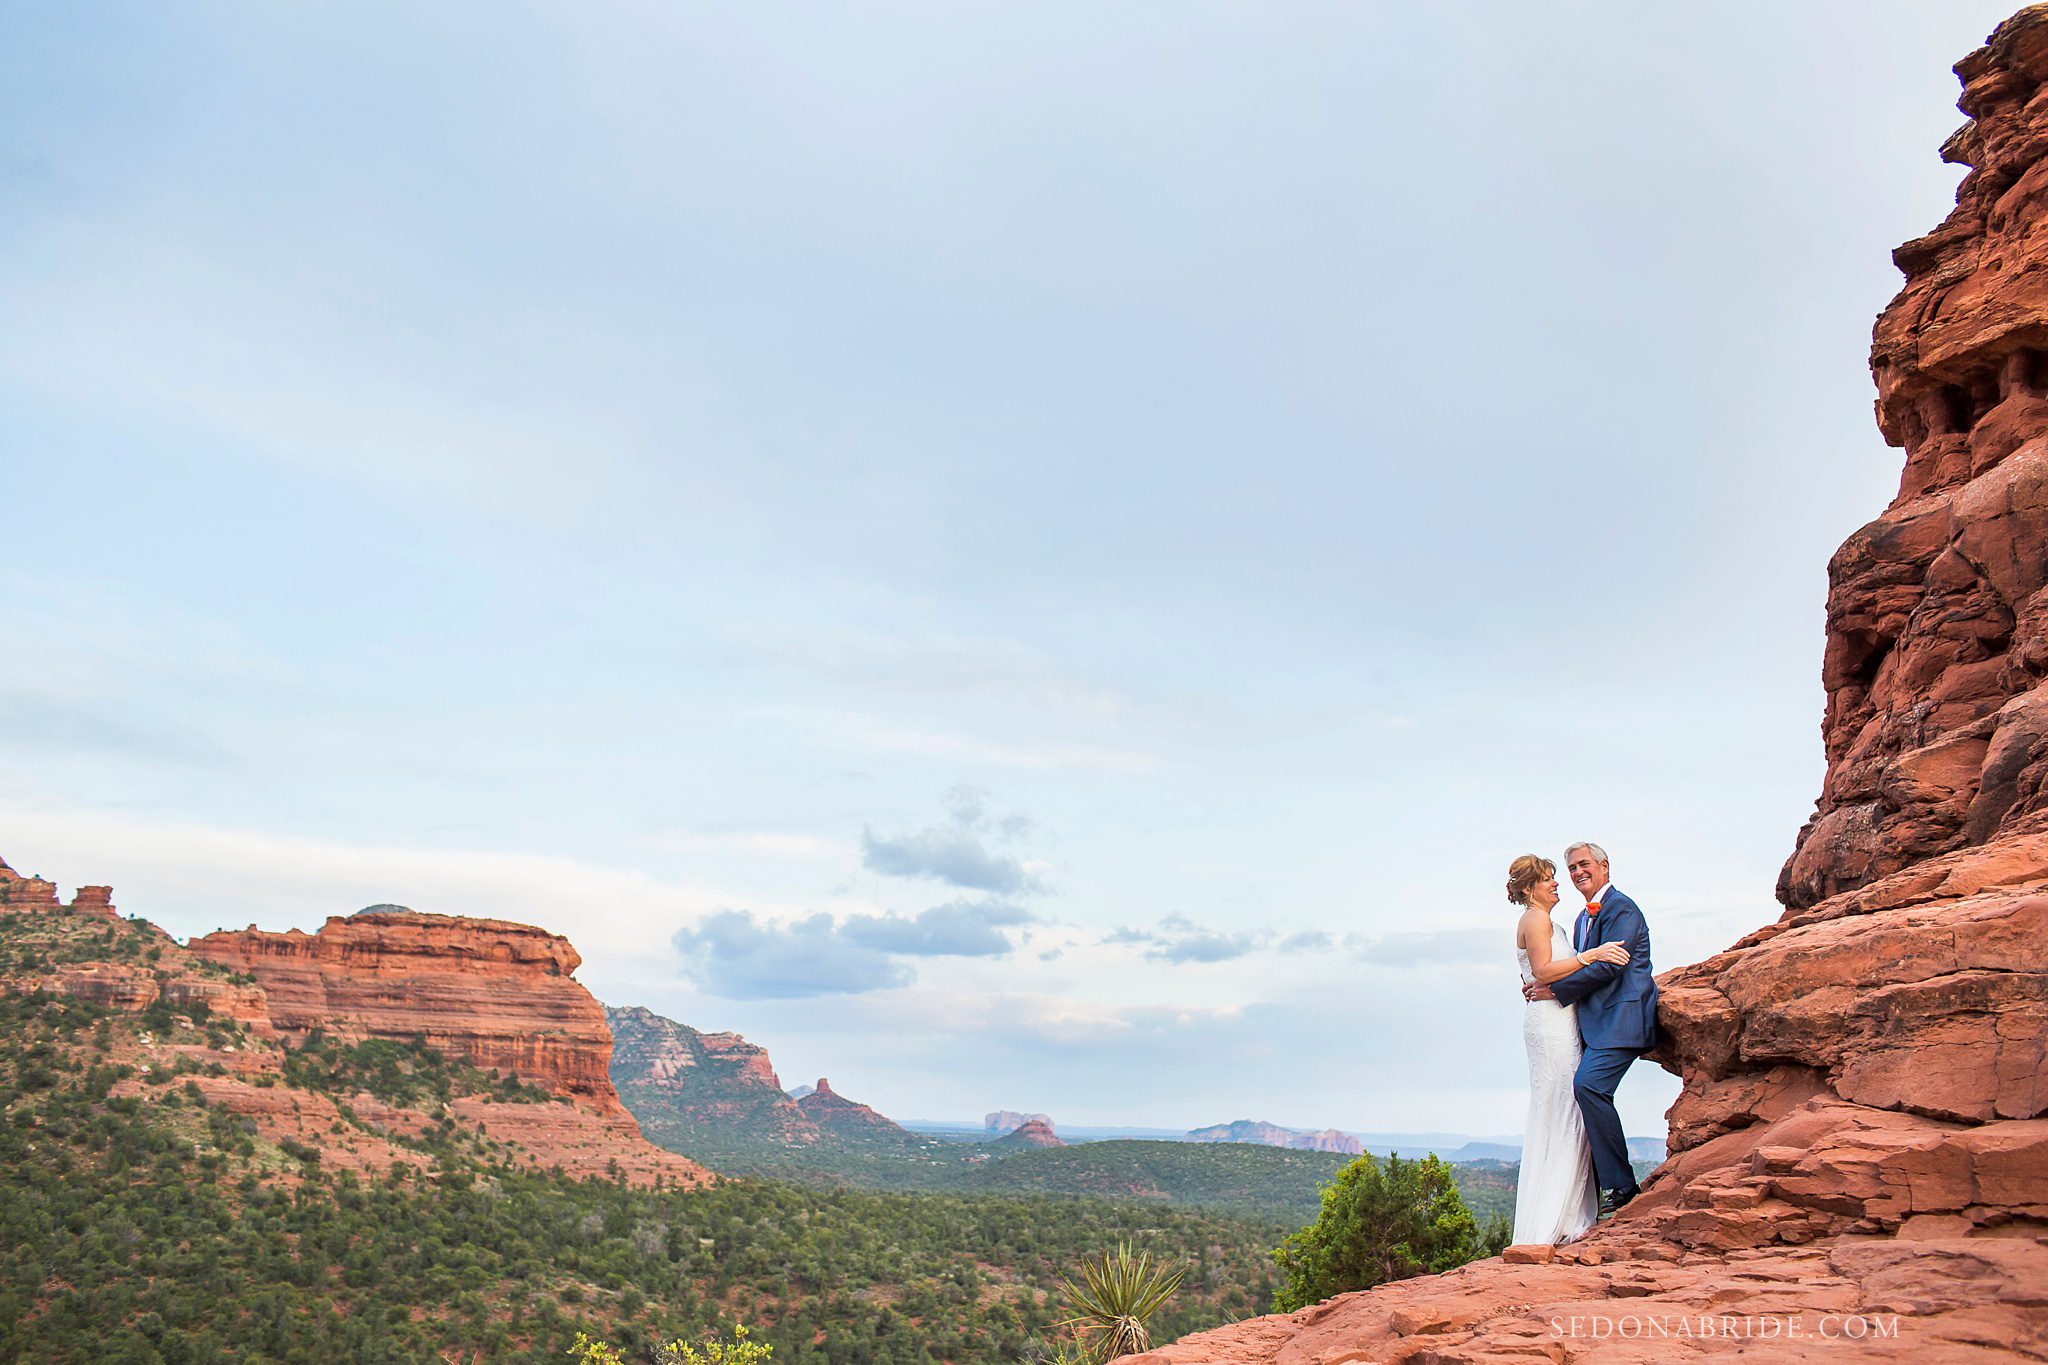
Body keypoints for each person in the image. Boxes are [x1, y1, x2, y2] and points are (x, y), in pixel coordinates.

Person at [1523, 841, 1657, 1214]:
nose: (1578, 872)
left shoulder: (1622, 908)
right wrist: (1543, 984)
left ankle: (1621, 1187)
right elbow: (1575, 964)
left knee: (1588, 1087)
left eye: (1584, 864)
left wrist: (1555, 990)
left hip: (1623, 1020)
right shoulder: (1582, 920)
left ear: (1604, 866)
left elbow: (1611, 965)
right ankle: (1586, 1194)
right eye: (1571, 868)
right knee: (1576, 1097)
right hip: (1593, 1025)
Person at [1506, 853, 1628, 1244]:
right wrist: (1592, 954)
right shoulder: (1536, 919)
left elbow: (1539, 974)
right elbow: (1542, 971)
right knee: (1560, 1108)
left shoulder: (1550, 921)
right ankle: (1557, 1218)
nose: (1557, 884)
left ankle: (1571, 1211)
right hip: (1552, 1025)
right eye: (1548, 879)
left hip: (1560, 1018)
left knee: (1565, 1108)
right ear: (1529, 889)